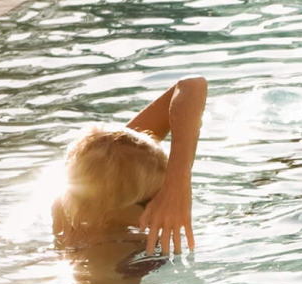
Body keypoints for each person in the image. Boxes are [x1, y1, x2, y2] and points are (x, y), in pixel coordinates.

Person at [52, 76, 207, 262]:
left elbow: (192, 86)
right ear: (105, 212)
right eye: (150, 201)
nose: (164, 204)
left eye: (163, 191)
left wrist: (177, 185)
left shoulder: (105, 164)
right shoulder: (100, 258)